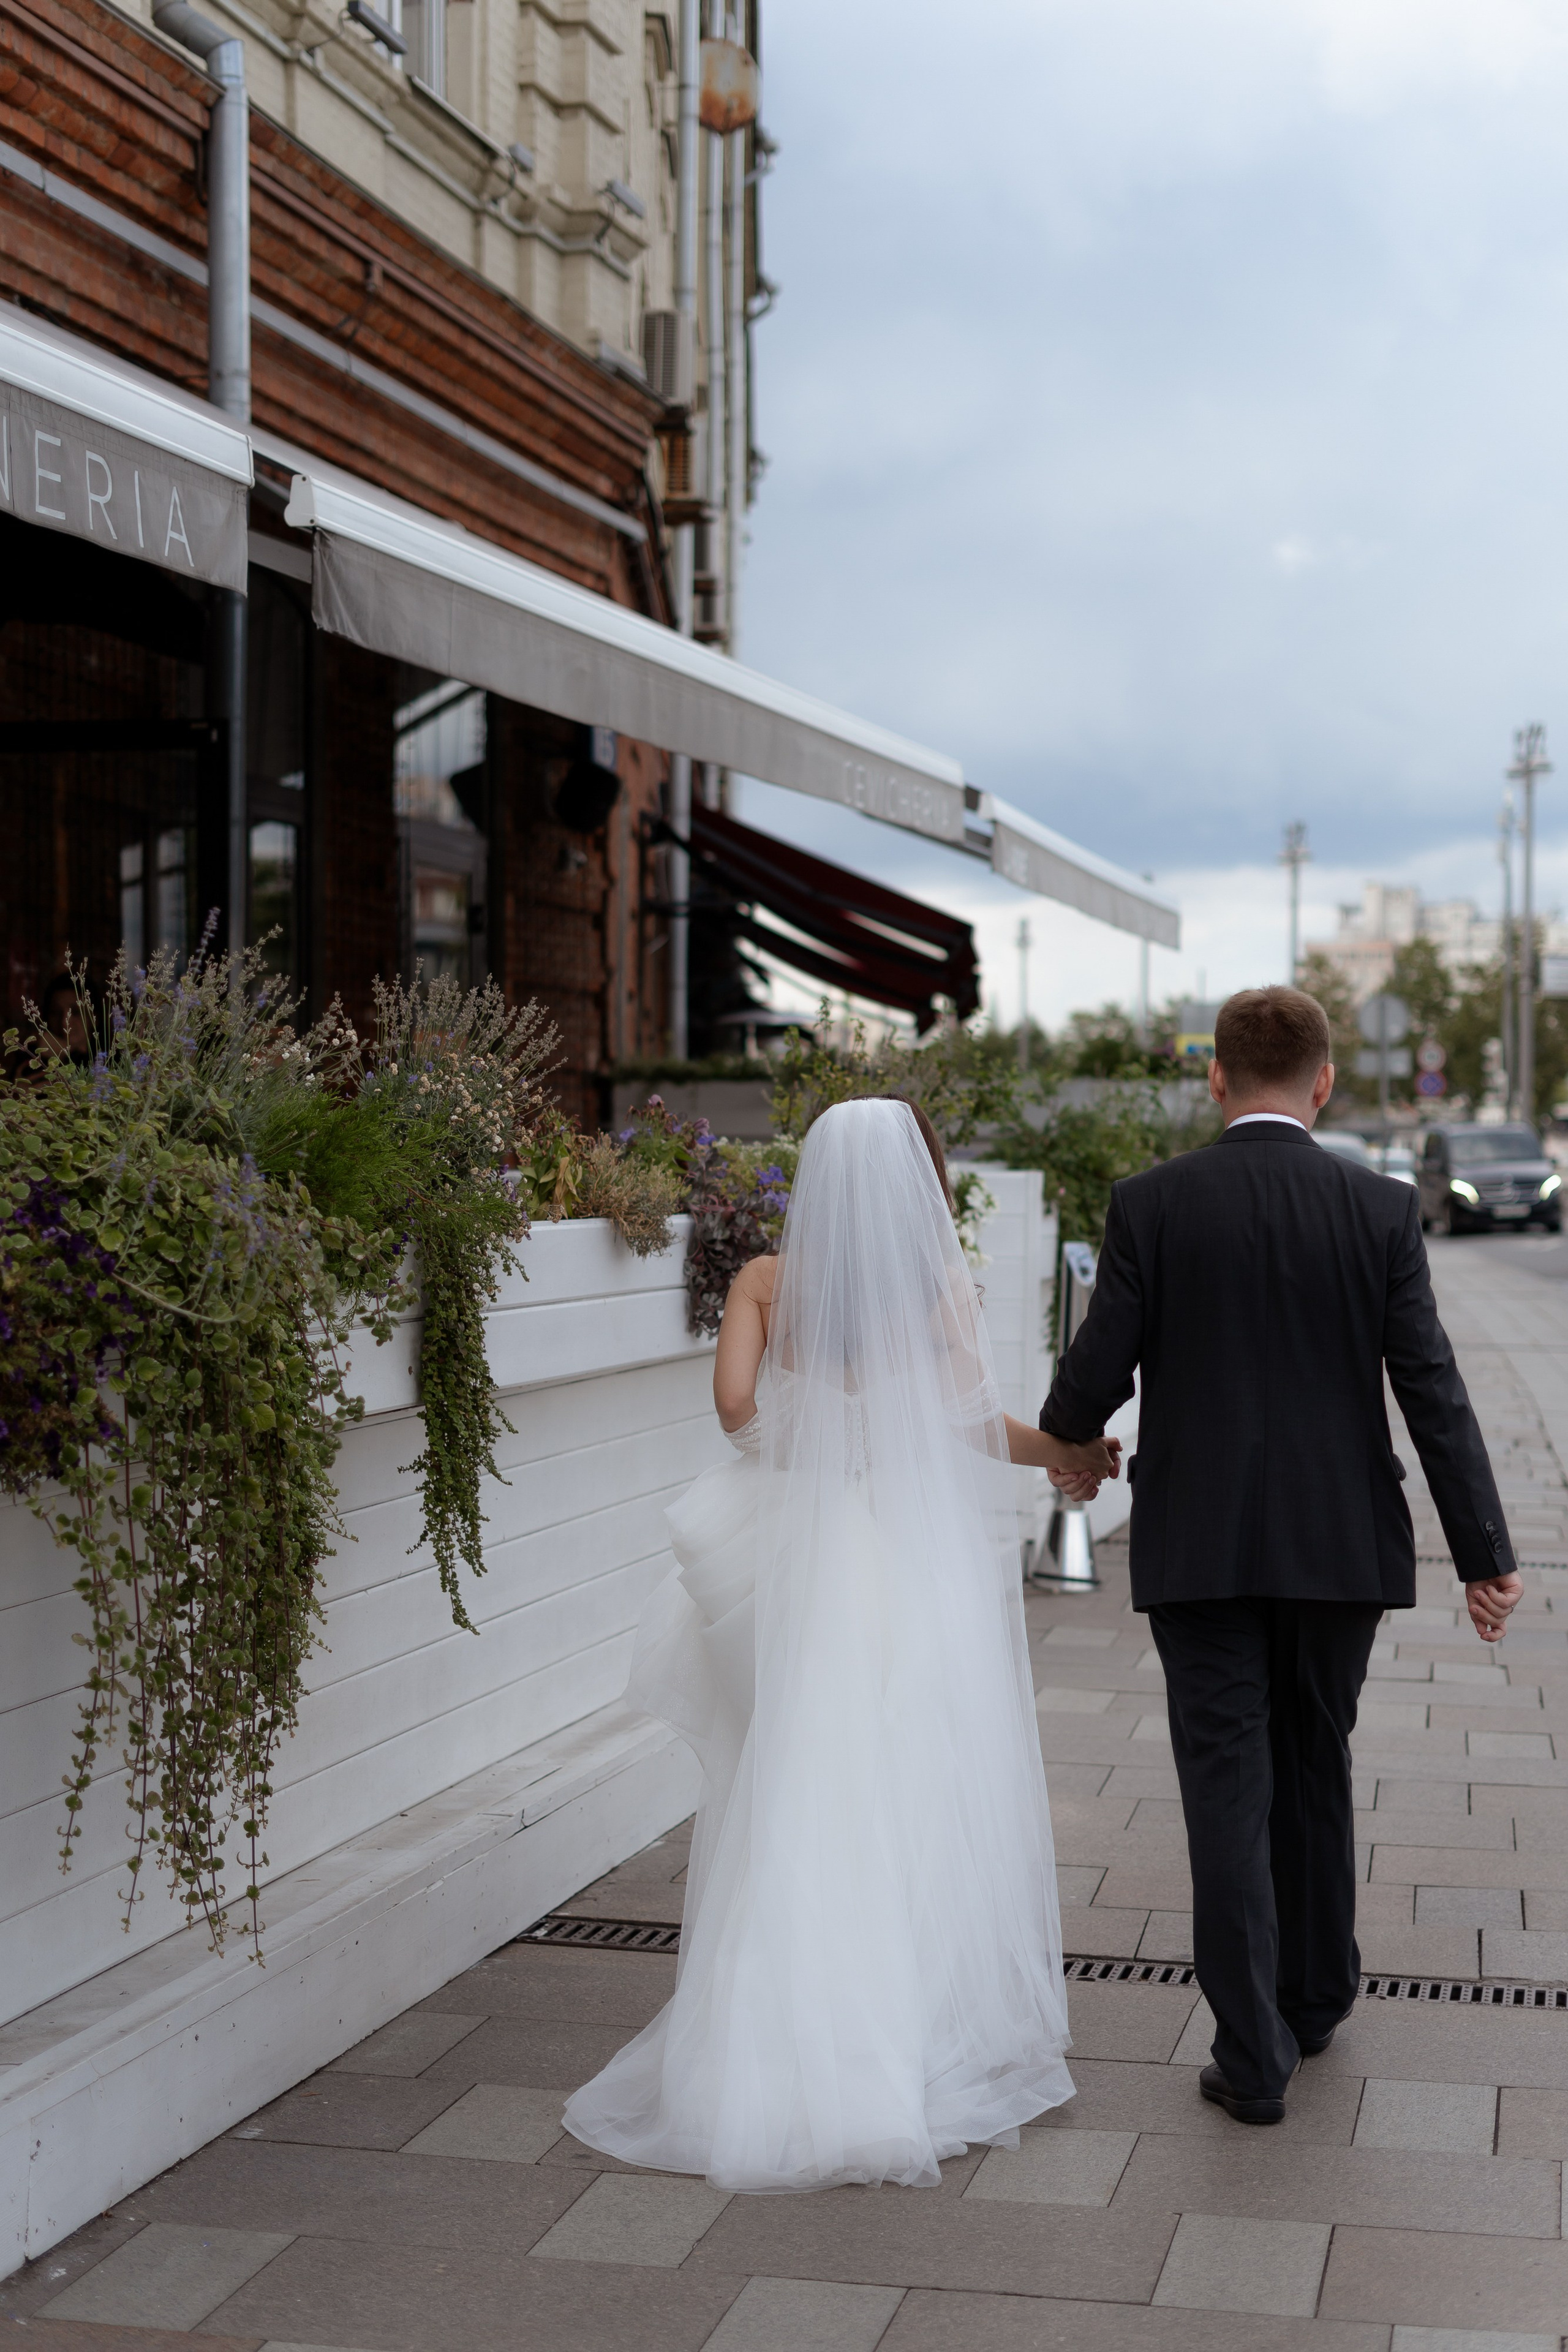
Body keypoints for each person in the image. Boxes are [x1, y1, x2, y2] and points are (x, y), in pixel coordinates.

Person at [563, 1095, 1118, 2192]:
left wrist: (817, 1454)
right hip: (901, 1569)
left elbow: (732, 1411)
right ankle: (906, 2035)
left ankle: (768, 2051)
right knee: (909, 1788)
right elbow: (967, 1423)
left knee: (793, 1784)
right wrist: (1071, 1453)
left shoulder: (767, 1282)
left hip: (802, 1561)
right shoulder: (940, 1291)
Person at [1039, 985, 1518, 2125]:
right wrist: (1482, 1553)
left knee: (1225, 1786)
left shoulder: (1152, 1205)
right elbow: (1433, 1392)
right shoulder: (1380, 1211)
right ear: (1323, 1084)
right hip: (1339, 1544)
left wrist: (1074, 1450)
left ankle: (1253, 2053)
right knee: (1316, 1760)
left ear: (1214, 1075)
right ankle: (1315, 1997)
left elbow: (1091, 1378)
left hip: (1198, 1545)